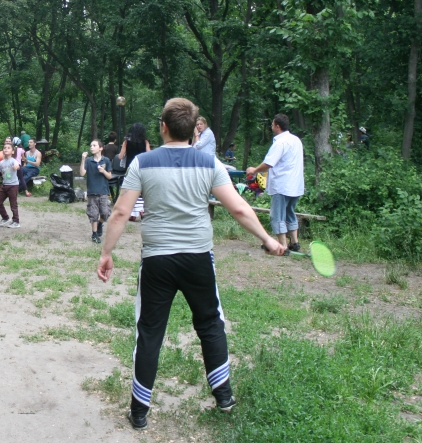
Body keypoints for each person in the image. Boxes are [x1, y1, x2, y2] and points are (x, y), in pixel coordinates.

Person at [97, 98, 285, 430]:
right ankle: (224, 396)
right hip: (198, 258)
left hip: (157, 260)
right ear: (193, 131)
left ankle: (139, 412)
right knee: (210, 323)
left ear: (164, 127)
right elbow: (238, 208)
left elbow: (121, 212)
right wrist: (268, 239)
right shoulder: (208, 163)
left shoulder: (142, 162)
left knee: (150, 332)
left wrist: (106, 253)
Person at [247, 113, 305, 252]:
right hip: (296, 184)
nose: (271, 127)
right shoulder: (296, 140)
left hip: (282, 184)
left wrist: (254, 170)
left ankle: (282, 245)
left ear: (277, 126)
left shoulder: (280, 142)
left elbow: (269, 163)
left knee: (277, 215)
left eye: (272, 125)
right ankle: (295, 242)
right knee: (289, 212)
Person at [80, 140, 113, 244]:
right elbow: (82, 173)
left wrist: (103, 171)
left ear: (101, 148)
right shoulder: (88, 161)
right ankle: (94, 234)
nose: (91, 147)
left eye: (94, 145)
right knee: (93, 214)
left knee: (105, 213)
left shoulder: (106, 160)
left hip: (103, 192)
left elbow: (110, 176)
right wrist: (83, 159)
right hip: (92, 192)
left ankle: (100, 224)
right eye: (91, 145)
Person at [119, 123, 151, 220]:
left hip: (130, 168)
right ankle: (142, 210)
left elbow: (120, 156)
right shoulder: (145, 142)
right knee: (142, 189)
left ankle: (132, 213)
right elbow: (149, 155)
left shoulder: (126, 142)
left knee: (131, 189)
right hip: (142, 167)